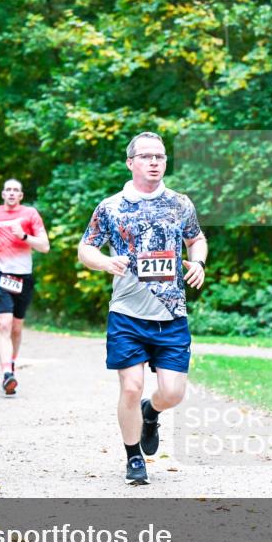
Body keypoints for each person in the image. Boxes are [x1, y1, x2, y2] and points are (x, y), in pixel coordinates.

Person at [77, 132, 207, 485]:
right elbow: (85, 248)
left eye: (160, 157)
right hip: (127, 314)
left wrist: (198, 262)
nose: (154, 162)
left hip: (171, 315)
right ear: (130, 162)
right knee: (131, 387)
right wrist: (105, 262)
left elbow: (196, 238)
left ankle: (152, 413)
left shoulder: (180, 204)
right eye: (146, 156)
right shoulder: (111, 206)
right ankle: (134, 457)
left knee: (173, 392)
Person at [0, 179, 50, 395]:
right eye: (8, 189)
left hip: (23, 276)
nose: (11, 193)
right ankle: (7, 373)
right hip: (0, 274)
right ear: (2, 194)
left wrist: (24, 236)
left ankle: (12, 363)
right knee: (4, 325)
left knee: (17, 329)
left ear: (21, 195)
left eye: (15, 190)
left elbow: (44, 246)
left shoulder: (30, 214)